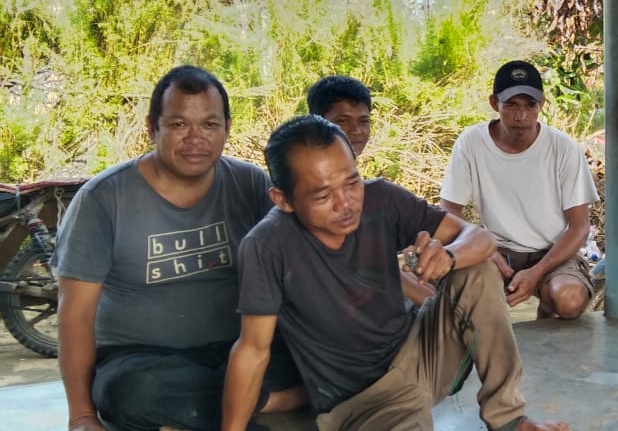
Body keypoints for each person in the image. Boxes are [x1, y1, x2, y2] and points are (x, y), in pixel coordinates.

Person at [222, 115, 568, 431]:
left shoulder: (381, 200)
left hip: (425, 353)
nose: (347, 203)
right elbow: (252, 350)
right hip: (367, 401)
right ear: (283, 199)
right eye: (324, 195)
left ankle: (509, 420)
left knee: (476, 269)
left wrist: (447, 257)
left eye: (351, 182)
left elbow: (479, 239)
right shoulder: (266, 247)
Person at [51, 65, 304, 431]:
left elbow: (300, 262)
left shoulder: (250, 184)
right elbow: (75, 315)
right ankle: (267, 401)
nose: (195, 138)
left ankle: (220, 409)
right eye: (179, 124)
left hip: (239, 349)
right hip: (145, 360)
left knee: (324, 357)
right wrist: (82, 416)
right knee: (131, 393)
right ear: (152, 127)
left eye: (210, 125)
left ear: (227, 129)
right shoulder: (103, 199)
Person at [439, 60, 599, 320]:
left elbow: (579, 227)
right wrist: (483, 247)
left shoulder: (563, 148)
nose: (521, 116)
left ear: (542, 105)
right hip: (497, 250)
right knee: (460, 297)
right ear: (494, 104)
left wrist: (537, 272)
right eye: (511, 105)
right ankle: (483, 353)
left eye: (530, 105)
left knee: (569, 300)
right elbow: (448, 210)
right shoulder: (472, 143)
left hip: (553, 251)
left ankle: (547, 306)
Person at [306, 75, 434, 305]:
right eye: (342, 120)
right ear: (316, 122)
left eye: (363, 121)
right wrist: (432, 301)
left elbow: (471, 236)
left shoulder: (380, 194)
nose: (355, 130)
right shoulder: (303, 196)